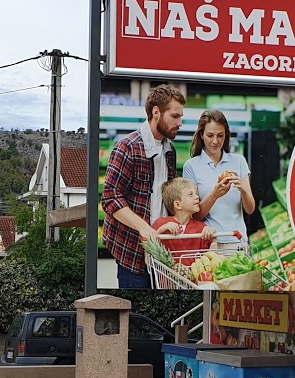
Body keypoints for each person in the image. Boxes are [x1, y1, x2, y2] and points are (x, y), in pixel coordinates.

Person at [101, 85, 185, 288]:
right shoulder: (127, 147)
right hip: (133, 252)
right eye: (174, 116)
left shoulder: (170, 150)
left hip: (163, 251)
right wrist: (144, 229)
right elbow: (111, 198)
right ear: (156, 112)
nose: (180, 123)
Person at [184, 109, 254, 242]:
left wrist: (243, 190)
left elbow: (250, 209)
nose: (215, 141)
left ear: (226, 136)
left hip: (237, 243)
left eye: (220, 135)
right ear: (201, 135)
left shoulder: (238, 161)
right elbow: (195, 216)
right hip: (209, 245)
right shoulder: (191, 166)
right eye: (210, 135)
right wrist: (214, 195)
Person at [152, 177, 215, 265]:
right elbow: (150, 253)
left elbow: (211, 259)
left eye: (196, 194)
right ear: (177, 204)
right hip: (167, 277)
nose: (197, 197)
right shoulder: (161, 224)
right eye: (191, 194)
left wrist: (213, 238)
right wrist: (160, 231)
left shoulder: (202, 228)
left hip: (195, 277)